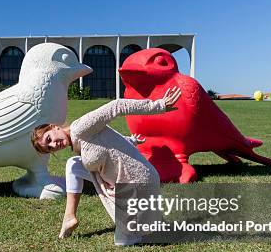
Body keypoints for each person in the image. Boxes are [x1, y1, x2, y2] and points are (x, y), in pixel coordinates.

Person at [31, 86, 182, 240]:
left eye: (49, 139)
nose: (54, 145)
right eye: (49, 148)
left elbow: (116, 106)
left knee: (127, 240)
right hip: (126, 184)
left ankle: (151, 223)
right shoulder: (77, 144)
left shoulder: (79, 128)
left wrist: (158, 105)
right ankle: (69, 217)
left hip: (138, 182)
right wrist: (130, 140)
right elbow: (105, 142)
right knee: (73, 165)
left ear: (54, 127)